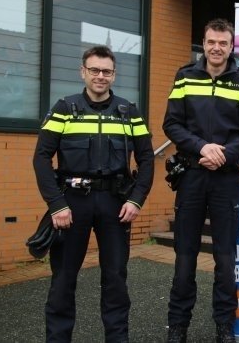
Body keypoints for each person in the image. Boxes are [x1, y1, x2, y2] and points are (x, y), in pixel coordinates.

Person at [33, 45, 155, 343]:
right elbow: (41, 158)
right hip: (71, 205)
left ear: (114, 75)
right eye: (95, 70)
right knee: (63, 279)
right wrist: (56, 204)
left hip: (116, 203)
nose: (101, 76)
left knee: (115, 279)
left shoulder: (129, 112)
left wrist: (136, 199)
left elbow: (148, 159)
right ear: (83, 72)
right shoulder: (64, 108)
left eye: (107, 71)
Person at [163, 18, 239, 343]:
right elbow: (172, 123)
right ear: (203, 43)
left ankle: (224, 325)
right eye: (211, 42)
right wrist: (201, 147)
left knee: (225, 258)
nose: (216, 48)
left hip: (225, 180)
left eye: (223, 43)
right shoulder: (184, 76)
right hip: (191, 176)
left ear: (231, 46)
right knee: (184, 257)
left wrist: (225, 153)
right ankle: (178, 326)